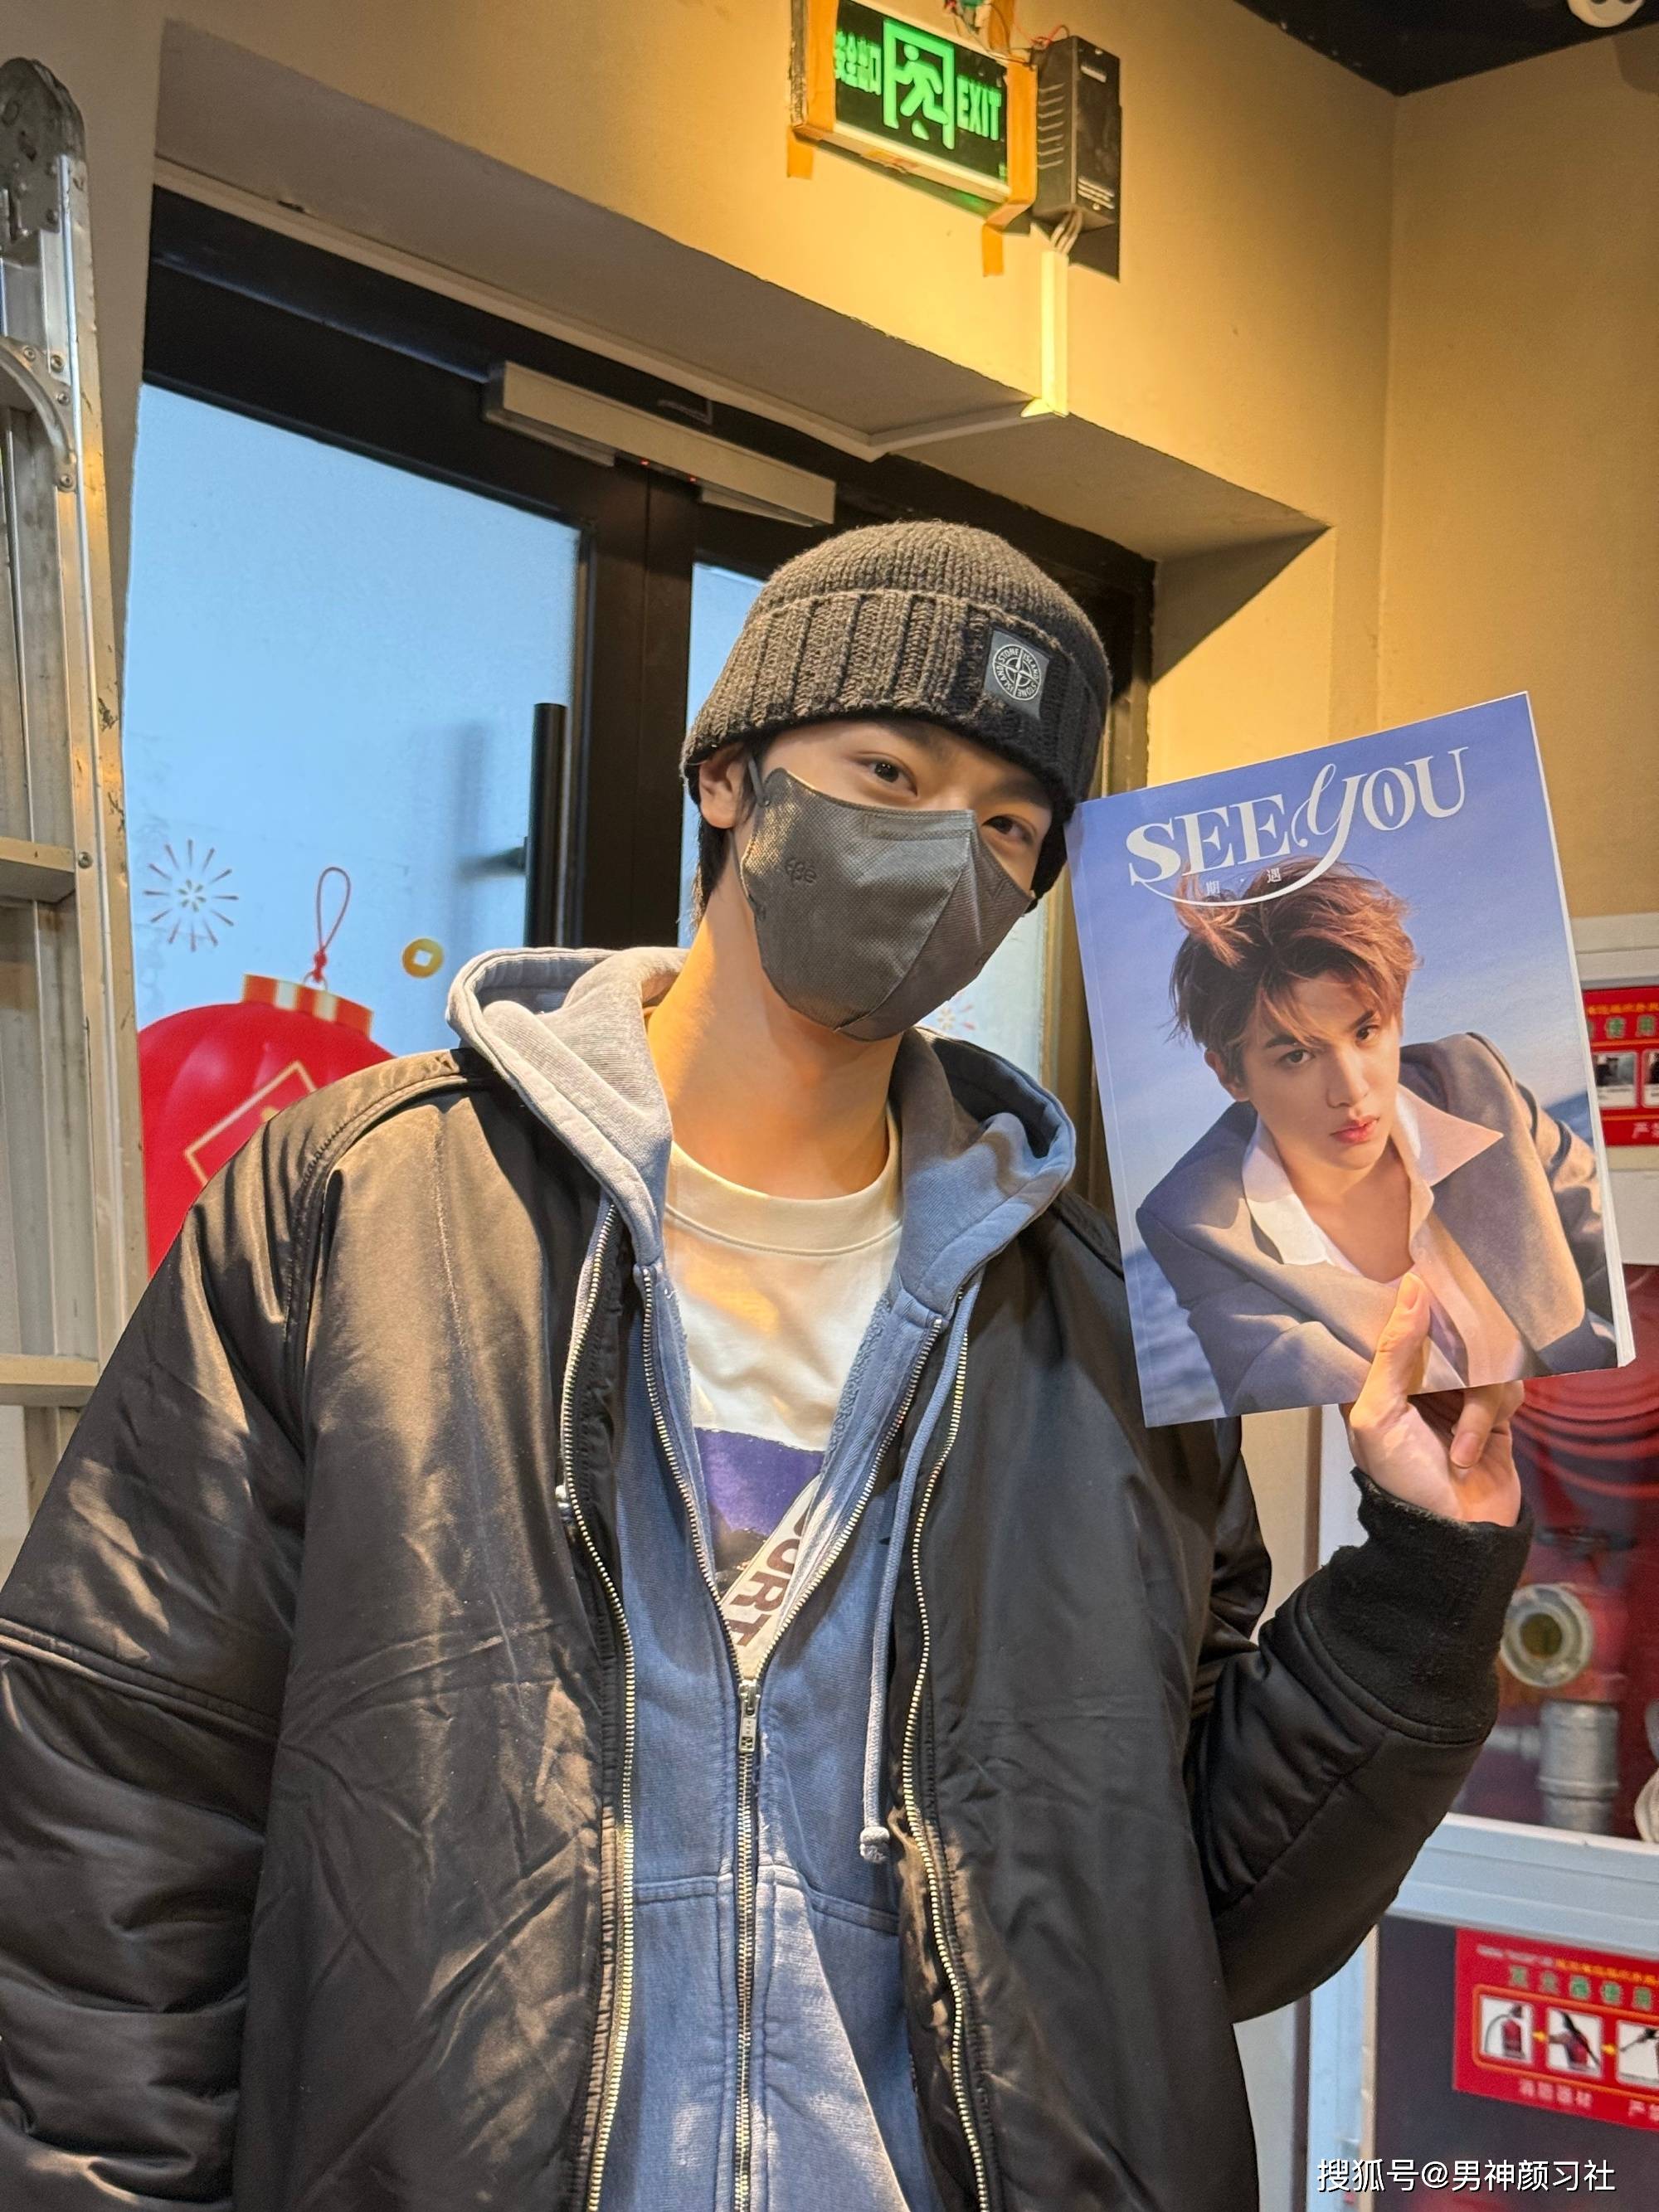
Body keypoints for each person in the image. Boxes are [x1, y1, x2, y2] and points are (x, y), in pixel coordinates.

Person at [0, 523, 1535, 2212]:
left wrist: (1427, 1569)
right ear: (728, 773)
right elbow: (119, 1796)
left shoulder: (1094, 1312)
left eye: (1008, 825)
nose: (947, 849)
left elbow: (1196, 1914)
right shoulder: (362, 1209)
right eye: (890, 771)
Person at [1136, 858, 1619, 1419]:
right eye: (1297, 1055)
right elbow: (1287, 1384)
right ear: (1231, 1076)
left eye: (1365, 1032)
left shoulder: (1476, 1081)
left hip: (1597, 1430)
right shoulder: (1198, 1220)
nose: (1351, 1089)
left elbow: (1615, 1266)